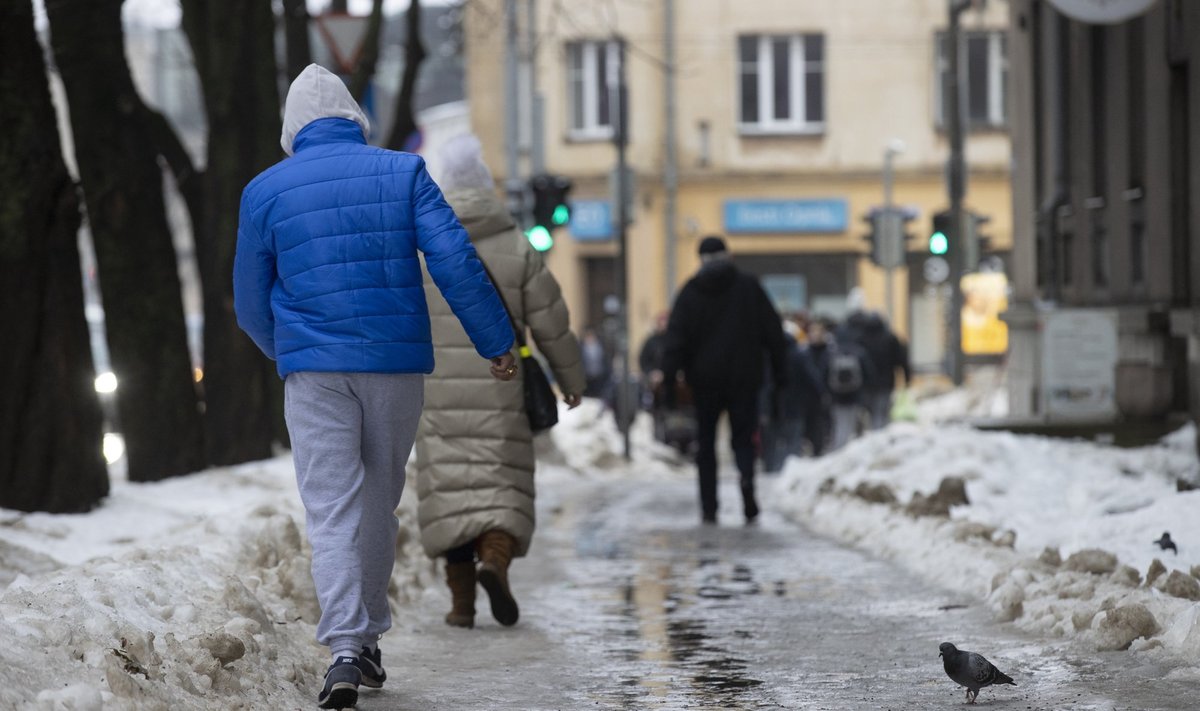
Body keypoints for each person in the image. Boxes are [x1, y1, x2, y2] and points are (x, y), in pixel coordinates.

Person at [233, 65, 517, 710]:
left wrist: (294, 353)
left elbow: (250, 303)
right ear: (354, 119)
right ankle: (368, 642)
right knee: (377, 503)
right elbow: (454, 258)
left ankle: (344, 649)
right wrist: (496, 340)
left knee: (332, 505)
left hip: (315, 372)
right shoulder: (404, 173)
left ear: (291, 129)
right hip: (393, 366)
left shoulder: (264, 192)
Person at [414, 134, 586, 631]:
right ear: (487, 189)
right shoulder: (516, 244)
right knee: (500, 484)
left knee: (448, 488)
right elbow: (552, 320)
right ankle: (496, 560)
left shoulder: (422, 246)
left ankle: (462, 604)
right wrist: (570, 380)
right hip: (500, 385)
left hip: (437, 391)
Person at [662, 236, 787, 524]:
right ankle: (746, 482)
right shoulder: (749, 287)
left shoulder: (691, 292)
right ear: (728, 256)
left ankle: (709, 506)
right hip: (745, 379)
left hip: (704, 383)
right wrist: (780, 375)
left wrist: (670, 383)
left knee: (705, 444)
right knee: (744, 439)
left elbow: (675, 342)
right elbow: (774, 333)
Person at [857, 312, 911, 430]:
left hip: (867, 384)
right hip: (885, 383)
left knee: (871, 413)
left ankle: (874, 435)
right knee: (882, 412)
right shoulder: (890, 338)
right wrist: (907, 379)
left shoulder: (861, 339)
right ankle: (880, 435)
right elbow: (901, 360)